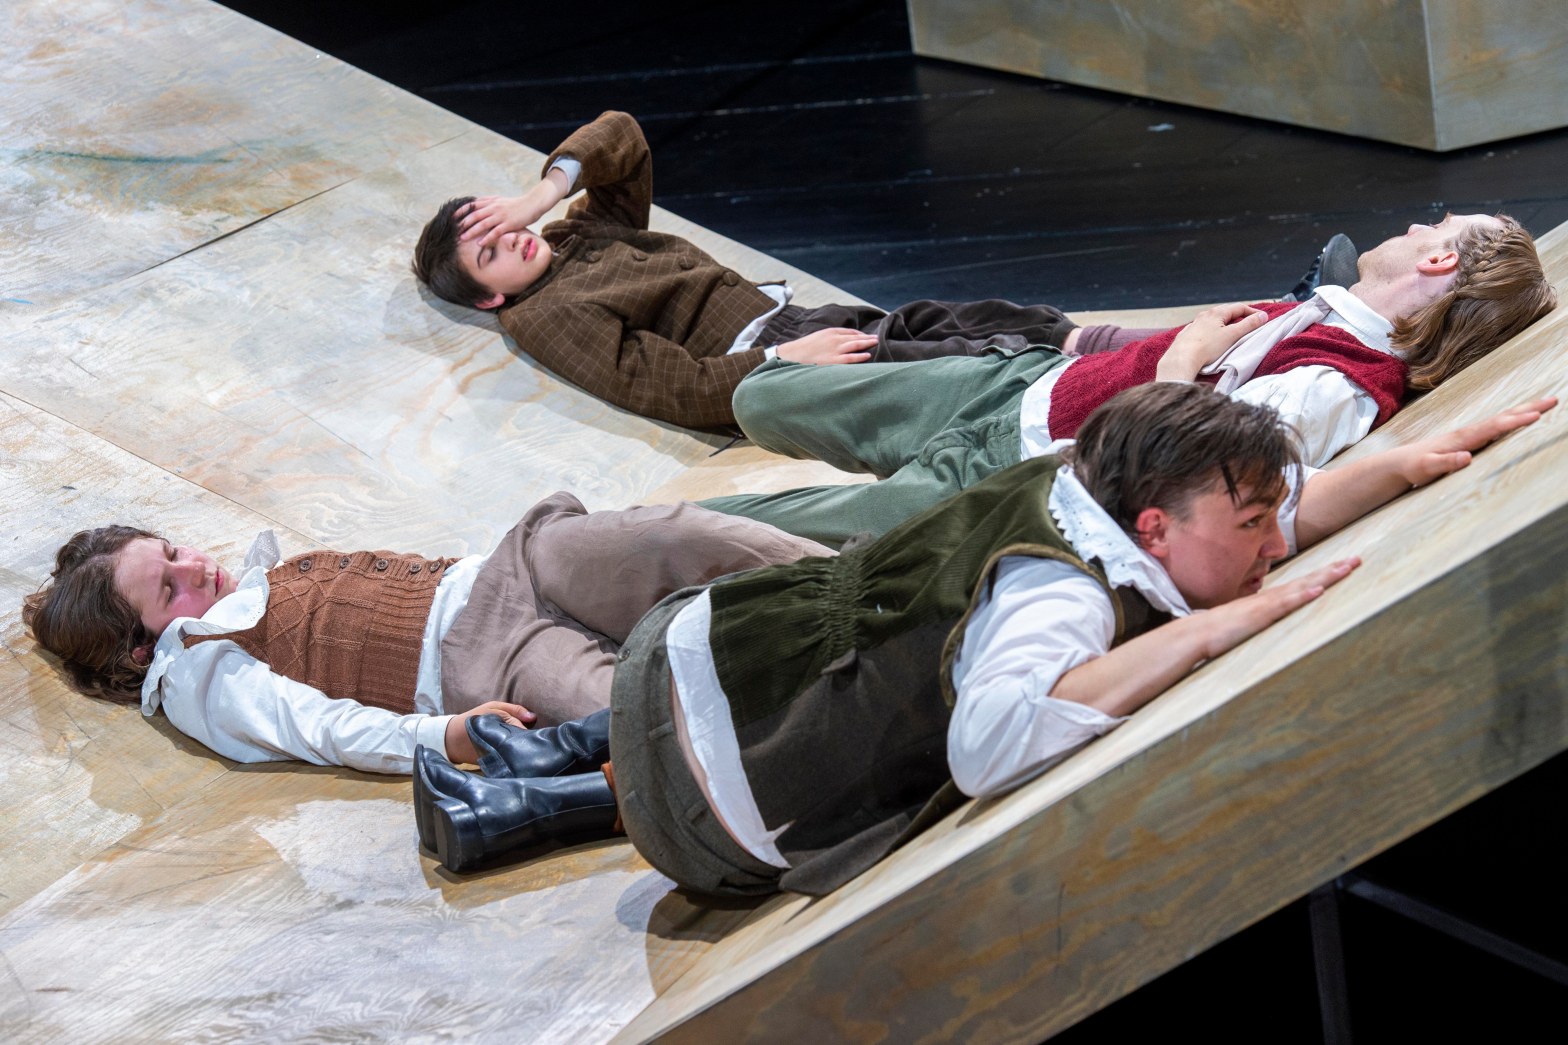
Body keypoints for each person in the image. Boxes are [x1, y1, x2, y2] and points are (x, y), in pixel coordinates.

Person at [412, 383, 1555, 894]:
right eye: (1251, 526)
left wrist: (1403, 465)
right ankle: (523, 755)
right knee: (499, 617)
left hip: (710, 650)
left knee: (675, 565)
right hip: (719, 792)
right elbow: (989, 745)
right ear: (1152, 528)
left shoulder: (1098, 479)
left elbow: (1243, 529)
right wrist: (1214, 632)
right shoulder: (1059, 596)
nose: (1269, 544)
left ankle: (528, 776)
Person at [698, 213, 1556, 547]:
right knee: (757, 394)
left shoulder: (1342, 385)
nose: (1413, 225)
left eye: (1433, 226)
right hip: (1022, 388)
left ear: (1438, 260)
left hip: (1007, 473)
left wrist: (1183, 361)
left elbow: (1197, 470)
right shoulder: (1336, 312)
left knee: (720, 534)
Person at [411, 110, 1210, 430]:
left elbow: (623, 136)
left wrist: (541, 192)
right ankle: (1170, 376)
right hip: (773, 363)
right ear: (487, 298)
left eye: (501, 224)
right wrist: (780, 363)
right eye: (491, 250)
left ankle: (1176, 347)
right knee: (964, 361)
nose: (514, 238)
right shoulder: (545, 314)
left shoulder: (576, 234)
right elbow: (660, 386)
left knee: (973, 319)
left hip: (795, 326)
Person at [22, 499, 830, 775]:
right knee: (647, 701)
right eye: (170, 587)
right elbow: (321, 728)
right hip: (481, 658)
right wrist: (447, 736)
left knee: (674, 536)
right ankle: (848, 700)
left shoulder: (244, 587)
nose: (195, 565)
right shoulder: (196, 673)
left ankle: (860, 578)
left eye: (173, 550)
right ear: (143, 647)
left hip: (510, 568)